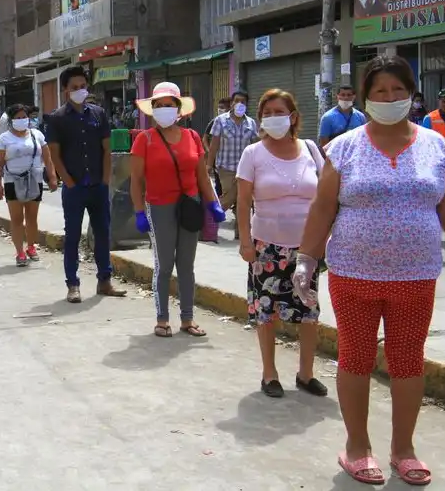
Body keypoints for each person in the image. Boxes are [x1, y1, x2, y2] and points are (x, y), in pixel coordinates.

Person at [293, 55, 445, 486]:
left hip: (416, 276)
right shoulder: (346, 146)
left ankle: (403, 449)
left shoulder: (434, 145)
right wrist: (306, 259)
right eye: (379, 92)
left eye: (397, 90)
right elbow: (322, 208)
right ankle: (356, 447)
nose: (389, 98)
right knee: (355, 359)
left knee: (408, 362)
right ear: (366, 97)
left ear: (411, 93)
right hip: (354, 274)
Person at [236, 88, 327, 399]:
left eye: (280, 111)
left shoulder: (311, 149)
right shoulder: (253, 154)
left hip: (307, 249)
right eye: (268, 112)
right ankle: (269, 373)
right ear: (261, 118)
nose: (274, 118)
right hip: (267, 248)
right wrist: (246, 243)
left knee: (309, 311)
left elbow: (327, 197)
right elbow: (243, 200)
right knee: (267, 311)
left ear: (293, 117)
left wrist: (326, 239)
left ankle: (306, 373)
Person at [129, 82, 222, 337]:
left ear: (179, 109)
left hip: (189, 206)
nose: (163, 110)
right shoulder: (144, 140)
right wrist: (139, 212)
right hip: (159, 207)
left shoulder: (192, 138)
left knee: (186, 265)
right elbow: (136, 180)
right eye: (158, 105)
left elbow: (202, 175)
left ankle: (187, 319)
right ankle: (162, 319)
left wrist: (213, 203)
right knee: (164, 265)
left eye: (168, 105)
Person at [45, 66, 126, 303]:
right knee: (72, 236)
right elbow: (54, 155)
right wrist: (68, 182)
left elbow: (107, 149)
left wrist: (105, 180)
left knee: (103, 234)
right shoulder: (57, 119)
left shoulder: (99, 114)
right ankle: (73, 284)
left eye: (83, 86)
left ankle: (105, 281)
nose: (80, 91)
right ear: (65, 90)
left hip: (98, 186)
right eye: (74, 88)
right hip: (74, 189)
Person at [0, 103, 58, 266]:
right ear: (11, 120)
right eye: (18, 118)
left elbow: (47, 158)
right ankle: (19, 252)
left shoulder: (37, 135)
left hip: (34, 180)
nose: (22, 120)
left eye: (24, 117)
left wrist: (52, 177)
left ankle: (31, 247)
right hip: (12, 181)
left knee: (32, 217)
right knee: (17, 218)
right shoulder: (4, 139)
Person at [205, 91, 259, 233]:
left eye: (243, 101)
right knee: (230, 198)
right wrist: (209, 165)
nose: (239, 104)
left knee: (243, 199)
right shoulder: (220, 121)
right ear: (232, 103)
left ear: (247, 105)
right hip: (226, 168)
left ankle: (240, 232)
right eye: (237, 101)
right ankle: (209, 219)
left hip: (246, 168)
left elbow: (255, 145)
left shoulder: (251, 123)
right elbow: (214, 144)